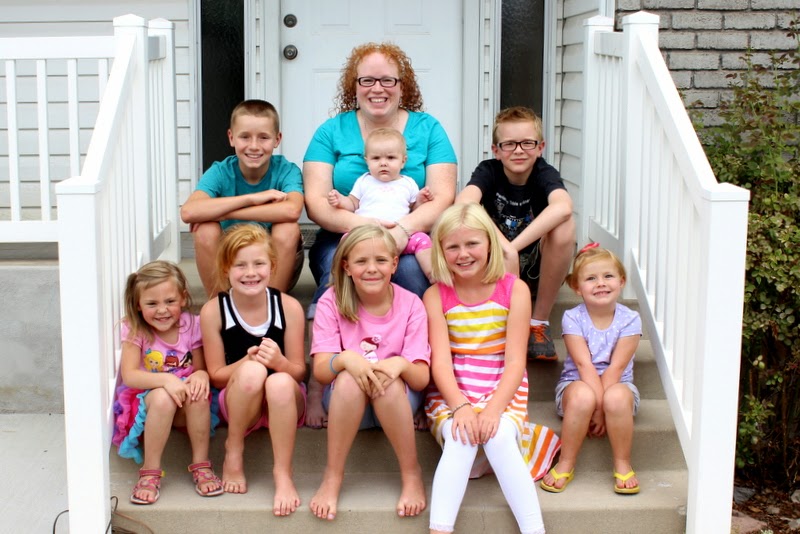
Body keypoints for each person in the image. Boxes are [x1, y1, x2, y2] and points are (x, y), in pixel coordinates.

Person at [303, 42, 457, 429]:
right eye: (367, 80)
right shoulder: (331, 131)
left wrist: (403, 230)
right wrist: (366, 229)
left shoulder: (428, 129)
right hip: (345, 233)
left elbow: (442, 196)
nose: (377, 88)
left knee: (412, 275)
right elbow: (317, 203)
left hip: (410, 234)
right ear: (353, 86)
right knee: (340, 270)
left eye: (388, 80)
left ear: (403, 86)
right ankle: (321, 381)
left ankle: (418, 380)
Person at [424, 204, 561, 534]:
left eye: (472, 243)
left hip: (502, 387)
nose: (463, 254)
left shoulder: (514, 289)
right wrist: (461, 407)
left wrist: (493, 409)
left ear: (489, 243)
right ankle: (439, 529)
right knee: (460, 437)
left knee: (498, 436)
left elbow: (515, 361)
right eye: (453, 246)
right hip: (453, 390)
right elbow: (440, 363)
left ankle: (534, 530)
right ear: (440, 250)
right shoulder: (435, 295)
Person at [309, 225, 430, 521]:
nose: (372, 268)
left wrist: (401, 364)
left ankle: (411, 473)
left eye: (380, 260)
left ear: (394, 264)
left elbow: (421, 378)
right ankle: (333, 475)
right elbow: (321, 371)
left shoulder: (411, 304)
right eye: (361, 261)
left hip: (398, 403)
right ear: (346, 266)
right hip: (348, 406)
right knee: (348, 379)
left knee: (388, 382)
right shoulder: (331, 301)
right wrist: (345, 359)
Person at [200, 224, 307, 516]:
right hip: (240, 402)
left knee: (279, 382)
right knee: (253, 373)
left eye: (259, 264)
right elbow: (216, 375)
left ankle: (282, 473)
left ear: (272, 266)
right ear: (226, 269)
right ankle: (234, 448)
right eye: (240, 265)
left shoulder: (289, 307)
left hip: (283, 403)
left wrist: (280, 363)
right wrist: (247, 361)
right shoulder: (213, 310)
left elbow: (299, 371)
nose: (251, 273)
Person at [456, 106, 575, 361]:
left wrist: (513, 247)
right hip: (494, 264)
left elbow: (563, 206)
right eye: (509, 144)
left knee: (565, 226)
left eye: (527, 143)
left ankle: (538, 323)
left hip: (535, 267)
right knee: (462, 219)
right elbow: (463, 202)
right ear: (496, 150)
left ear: (540, 147)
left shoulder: (544, 173)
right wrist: (504, 248)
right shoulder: (488, 171)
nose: (519, 150)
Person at [112, 260, 222, 505]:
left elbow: (200, 368)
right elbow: (130, 375)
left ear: (182, 298)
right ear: (138, 305)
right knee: (163, 397)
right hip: (149, 402)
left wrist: (202, 375)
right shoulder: (136, 329)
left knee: (199, 393)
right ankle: (150, 472)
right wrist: (166, 380)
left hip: (184, 404)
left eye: (170, 301)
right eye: (152, 303)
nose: (162, 310)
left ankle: (201, 464)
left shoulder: (191, 325)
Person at [540, 243, 641, 495]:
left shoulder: (630, 319)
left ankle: (622, 463)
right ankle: (566, 462)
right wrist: (597, 408)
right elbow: (583, 365)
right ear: (577, 287)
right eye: (591, 278)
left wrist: (604, 406)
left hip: (618, 385)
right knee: (583, 395)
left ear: (621, 281)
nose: (600, 283)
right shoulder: (573, 317)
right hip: (576, 386)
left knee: (616, 397)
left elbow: (617, 367)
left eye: (608, 276)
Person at [181, 99, 304, 297]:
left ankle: (271, 304)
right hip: (230, 265)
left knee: (288, 228)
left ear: (277, 139)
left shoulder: (286, 171)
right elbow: (188, 212)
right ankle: (220, 304)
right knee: (204, 229)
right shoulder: (220, 171)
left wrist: (224, 213)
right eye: (245, 137)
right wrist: (252, 199)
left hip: (273, 266)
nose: (254, 146)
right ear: (231, 137)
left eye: (263, 137)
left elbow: (292, 210)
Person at [328, 127, 435, 280]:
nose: (383, 163)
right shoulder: (364, 181)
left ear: (403, 161)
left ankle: (432, 275)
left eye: (390, 158)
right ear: (367, 161)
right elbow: (352, 203)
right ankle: (338, 277)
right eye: (376, 158)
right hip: (365, 235)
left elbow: (413, 209)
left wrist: (420, 200)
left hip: (400, 237)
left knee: (423, 240)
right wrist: (340, 200)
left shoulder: (408, 183)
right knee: (346, 239)